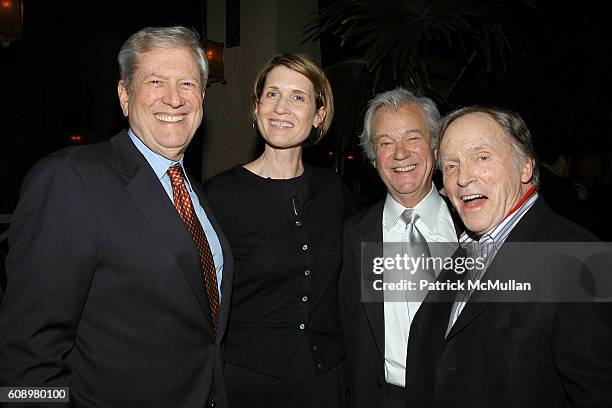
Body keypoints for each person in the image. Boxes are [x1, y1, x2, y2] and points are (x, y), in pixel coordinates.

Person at [0, 26, 232, 408]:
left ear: (203, 97)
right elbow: (25, 353)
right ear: (124, 96)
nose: (174, 99)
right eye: (155, 81)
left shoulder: (191, 189)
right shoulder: (72, 178)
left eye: (188, 83)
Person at [405, 106, 612, 407]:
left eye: (482, 157)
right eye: (450, 165)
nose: (463, 178)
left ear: (525, 168)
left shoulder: (581, 262)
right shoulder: (466, 250)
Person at [204, 53, 350, 408]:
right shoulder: (218, 196)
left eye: (298, 97)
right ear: (256, 108)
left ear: (318, 116)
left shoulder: (335, 192)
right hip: (247, 381)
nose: (282, 107)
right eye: (272, 94)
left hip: (325, 377)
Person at [338, 88, 462, 408]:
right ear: (373, 156)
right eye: (385, 143)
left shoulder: (475, 229)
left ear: (435, 144)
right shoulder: (352, 237)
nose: (400, 154)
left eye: (413, 137)